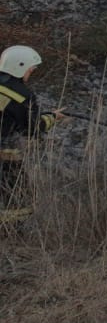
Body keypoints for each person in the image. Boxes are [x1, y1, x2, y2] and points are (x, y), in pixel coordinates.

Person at [0, 46, 64, 225]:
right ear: (19, 67)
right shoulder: (23, 95)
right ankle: (11, 233)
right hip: (6, 157)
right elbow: (32, 128)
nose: (31, 72)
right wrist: (52, 118)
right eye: (30, 69)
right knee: (15, 196)